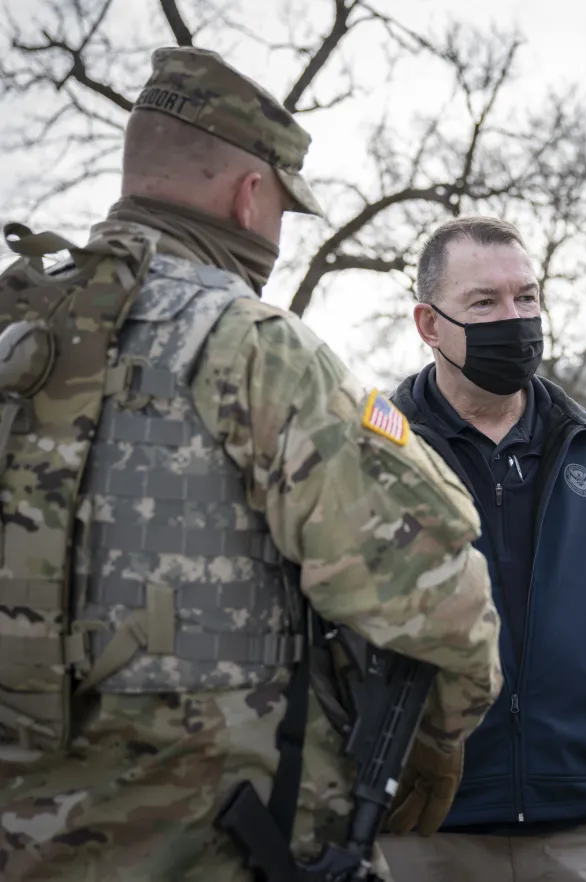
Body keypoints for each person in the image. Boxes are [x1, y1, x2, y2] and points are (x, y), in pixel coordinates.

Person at [0, 46, 503, 881]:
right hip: (219, 848)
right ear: (250, 194)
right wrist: (438, 743)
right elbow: (436, 594)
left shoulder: (17, 339)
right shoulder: (253, 348)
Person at [377, 215, 586, 882]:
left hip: (585, 830)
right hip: (418, 833)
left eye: (527, 297)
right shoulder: (373, 453)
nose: (515, 317)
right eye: (484, 302)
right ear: (429, 325)